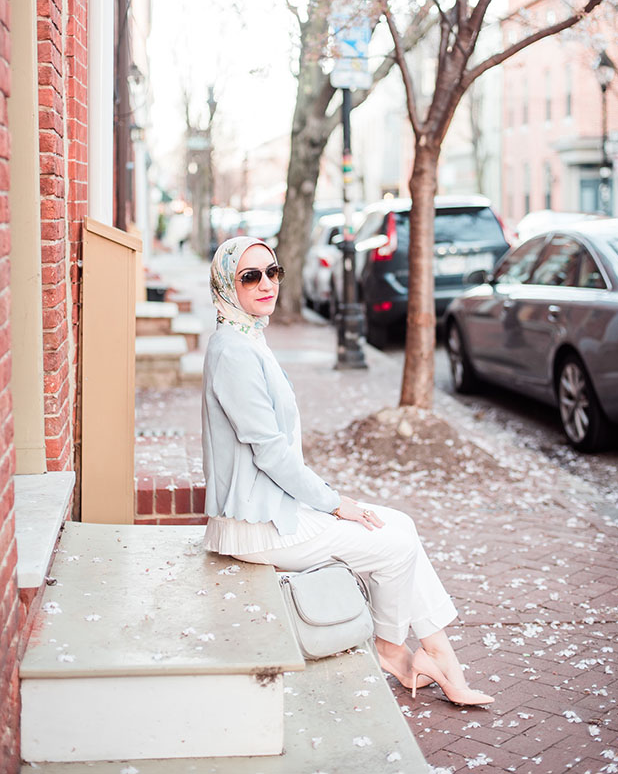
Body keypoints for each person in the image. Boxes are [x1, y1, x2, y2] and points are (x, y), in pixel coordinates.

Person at [202, 236, 494, 706]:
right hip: (254, 526)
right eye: (250, 276)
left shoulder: (246, 336)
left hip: (270, 511)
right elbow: (271, 454)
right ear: (225, 284)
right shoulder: (234, 351)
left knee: (401, 526)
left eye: (273, 272)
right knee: (394, 544)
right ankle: (392, 650)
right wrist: (336, 503)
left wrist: (331, 502)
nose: (267, 284)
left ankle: (439, 655)